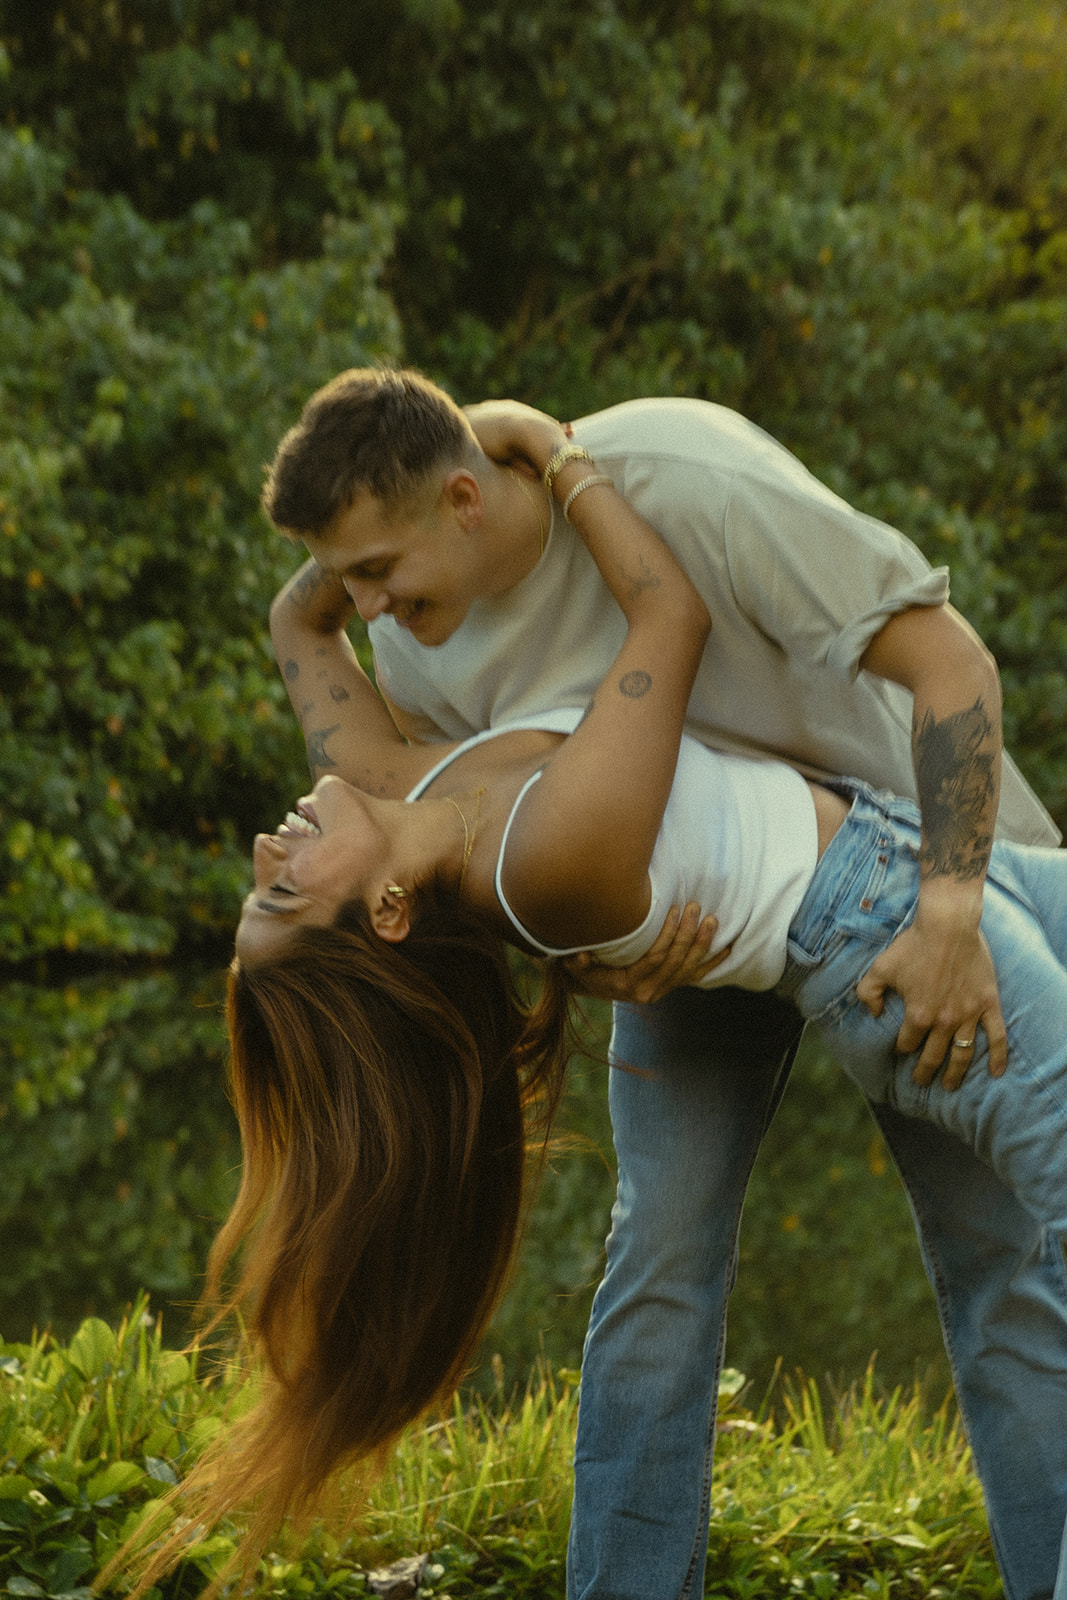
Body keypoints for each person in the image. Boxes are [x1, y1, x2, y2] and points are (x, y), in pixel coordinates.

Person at [259, 369, 1067, 1600]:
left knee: (999, 1261)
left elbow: (947, 664)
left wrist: (953, 908)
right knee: (659, 1264)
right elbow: (486, 882)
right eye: (346, 581)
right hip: (702, 936)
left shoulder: (686, 482)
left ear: (466, 495)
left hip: (905, 877)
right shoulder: (413, 644)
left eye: (376, 566)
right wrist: (592, 956)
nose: (366, 604)